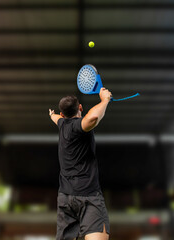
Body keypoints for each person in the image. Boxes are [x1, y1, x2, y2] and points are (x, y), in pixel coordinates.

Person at [49, 87, 112, 240]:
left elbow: (55, 118)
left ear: (63, 114)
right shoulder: (79, 126)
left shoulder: (62, 123)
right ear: (80, 108)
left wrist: (52, 115)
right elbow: (93, 118)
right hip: (89, 196)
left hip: (65, 199)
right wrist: (105, 99)